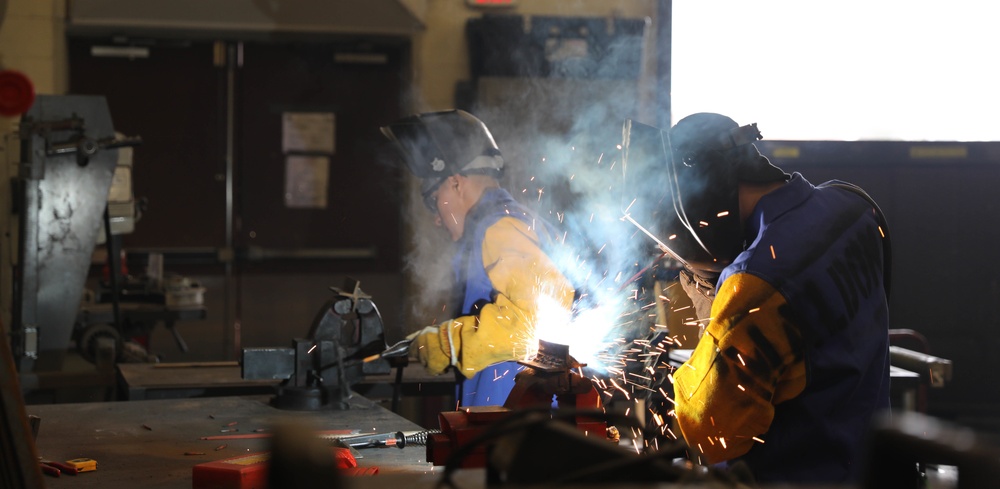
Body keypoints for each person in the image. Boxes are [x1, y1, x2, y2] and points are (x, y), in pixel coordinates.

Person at [629, 113, 891, 484]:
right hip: (870, 466)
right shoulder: (852, 207)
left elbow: (708, 433)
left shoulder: (755, 285)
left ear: (702, 196)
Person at [380, 109, 575, 407]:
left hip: (515, 427)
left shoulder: (500, 228)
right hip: (507, 421)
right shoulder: (510, 222)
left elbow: (541, 315)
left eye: (433, 200)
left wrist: (450, 343)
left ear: (456, 183)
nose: (436, 218)